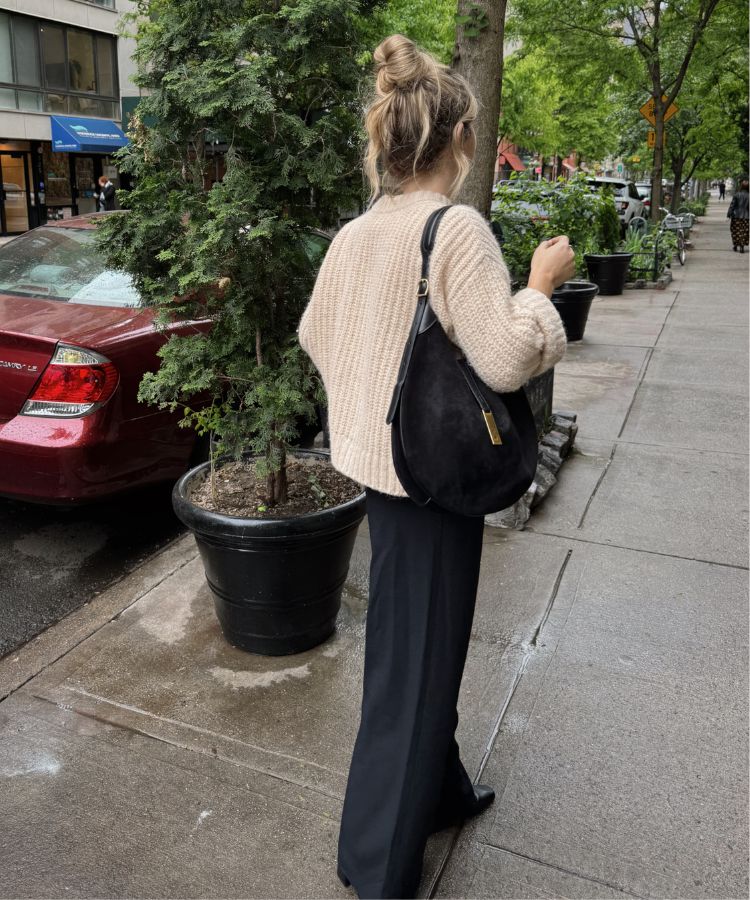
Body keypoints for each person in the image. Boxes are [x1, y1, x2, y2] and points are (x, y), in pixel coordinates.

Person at [298, 34, 573, 900]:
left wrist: (367, 394)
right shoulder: (454, 228)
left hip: (383, 470)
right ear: (457, 141)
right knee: (411, 662)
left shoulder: (358, 233)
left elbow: (314, 335)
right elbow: (501, 357)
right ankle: (378, 866)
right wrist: (540, 284)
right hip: (431, 477)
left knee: (419, 643)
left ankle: (441, 791)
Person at [727, 179, 749, 252]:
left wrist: (729, 213)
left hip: (736, 216)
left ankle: (736, 245)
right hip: (746, 216)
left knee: (735, 231)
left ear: (741, 187)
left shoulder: (737, 194)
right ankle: (742, 246)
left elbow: (732, 205)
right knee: (744, 231)